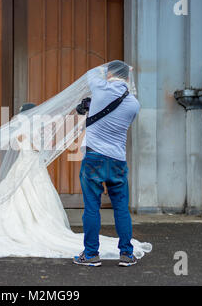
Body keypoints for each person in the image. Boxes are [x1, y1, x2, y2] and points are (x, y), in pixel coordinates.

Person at [0, 100, 151, 261]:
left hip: (25, 167)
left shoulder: (19, 129)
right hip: (32, 167)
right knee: (35, 201)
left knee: (14, 198)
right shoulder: (29, 130)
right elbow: (35, 147)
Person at [73, 60, 141, 267]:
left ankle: (91, 254)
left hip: (94, 158)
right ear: (128, 79)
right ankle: (127, 255)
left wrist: (107, 69)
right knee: (121, 208)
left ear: (109, 74)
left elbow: (91, 73)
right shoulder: (134, 104)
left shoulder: (100, 88)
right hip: (118, 160)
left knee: (92, 207)